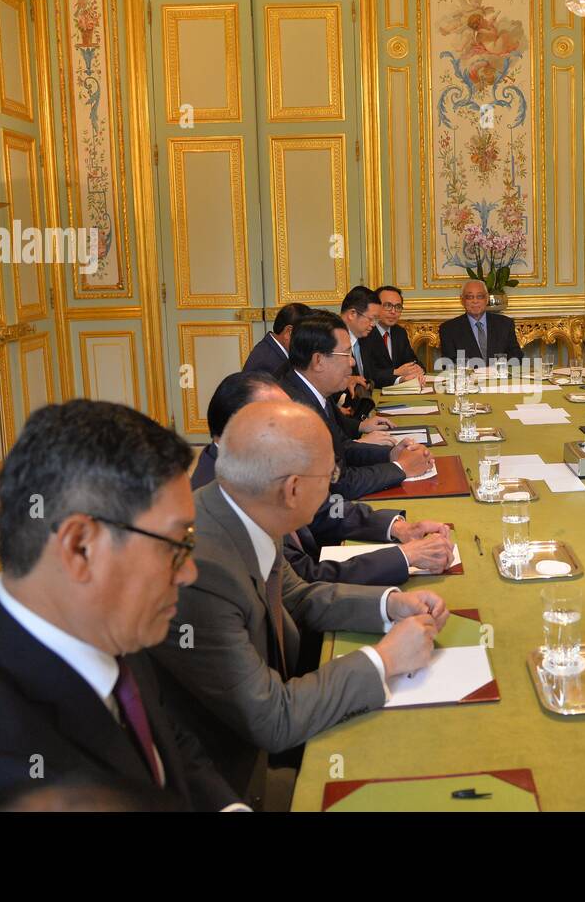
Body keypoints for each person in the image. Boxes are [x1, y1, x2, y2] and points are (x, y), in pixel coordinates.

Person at [0, 400, 241, 811]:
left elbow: (165, 743)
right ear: (80, 547)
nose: (188, 572)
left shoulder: (99, 620)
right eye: (176, 545)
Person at [147, 401, 448, 807]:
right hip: (237, 776)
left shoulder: (246, 505)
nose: (332, 488)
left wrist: (391, 605)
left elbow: (297, 595)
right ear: (291, 489)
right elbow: (272, 718)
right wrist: (385, 661)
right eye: (330, 478)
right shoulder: (202, 571)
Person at [192, 370, 453, 583]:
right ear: (239, 428)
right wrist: (403, 557)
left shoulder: (254, 460)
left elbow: (324, 510)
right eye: (277, 420)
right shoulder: (223, 494)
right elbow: (305, 580)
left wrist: (399, 528)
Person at [276, 312, 431, 499]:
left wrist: (392, 454)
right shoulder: (297, 410)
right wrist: (401, 468)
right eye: (346, 353)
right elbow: (339, 483)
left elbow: (343, 447)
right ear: (318, 361)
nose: (352, 362)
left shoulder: (313, 392)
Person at [438, 279, 523, 366]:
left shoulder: (505, 324)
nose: (475, 301)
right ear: (462, 300)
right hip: (468, 378)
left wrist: (496, 370)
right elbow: (448, 364)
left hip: (498, 377)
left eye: (480, 296)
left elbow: (517, 357)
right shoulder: (448, 329)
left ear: (486, 299)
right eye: (470, 297)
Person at [362, 285, 425, 388]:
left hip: (400, 391)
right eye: (387, 305)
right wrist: (396, 372)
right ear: (375, 306)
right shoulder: (366, 332)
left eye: (398, 307)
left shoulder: (399, 333)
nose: (393, 311)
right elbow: (368, 373)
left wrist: (418, 368)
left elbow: (412, 361)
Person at [244, 302, 312, 377]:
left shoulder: (271, 349)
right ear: (288, 332)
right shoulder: (266, 363)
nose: (308, 342)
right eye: (305, 336)